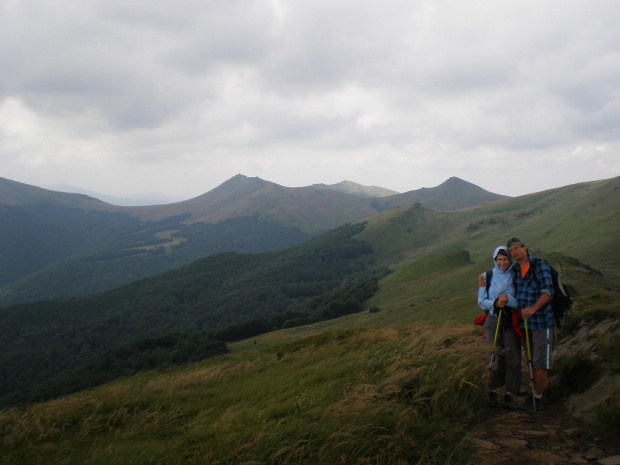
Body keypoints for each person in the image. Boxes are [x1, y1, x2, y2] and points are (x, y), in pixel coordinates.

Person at [506, 237, 555, 413]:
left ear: (525, 248)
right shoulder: (515, 269)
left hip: (542, 322)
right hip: (526, 325)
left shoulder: (539, 265)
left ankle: (538, 399)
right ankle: (534, 394)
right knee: (532, 360)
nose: (514, 252)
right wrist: (483, 278)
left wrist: (533, 308)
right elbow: (500, 274)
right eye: (511, 250)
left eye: (516, 248)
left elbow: (548, 291)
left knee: (540, 362)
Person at [477, 246, 522, 410]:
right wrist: (495, 303)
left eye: (506, 259)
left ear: (510, 259)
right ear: (495, 260)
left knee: (512, 355)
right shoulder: (486, 276)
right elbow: (481, 301)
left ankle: (510, 392)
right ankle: (492, 389)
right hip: (493, 318)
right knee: (494, 354)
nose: (503, 262)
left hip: (510, 319)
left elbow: (520, 300)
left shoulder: (516, 275)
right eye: (499, 259)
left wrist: (508, 300)